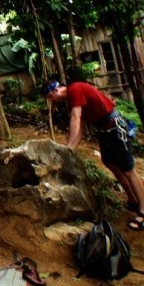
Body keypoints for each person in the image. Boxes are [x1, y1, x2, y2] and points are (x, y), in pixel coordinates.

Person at [44, 80, 144, 230]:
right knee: (109, 162)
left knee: (128, 170)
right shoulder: (73, 98)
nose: (53, 101)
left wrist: (69, 147)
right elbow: (80, 129)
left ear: (55, 91)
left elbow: (76, 119)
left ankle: (143, 210)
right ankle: (132, 198)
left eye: (51, 98)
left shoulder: (75, 89)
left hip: (114, 127)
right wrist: (70, 150)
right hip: (105, 130)